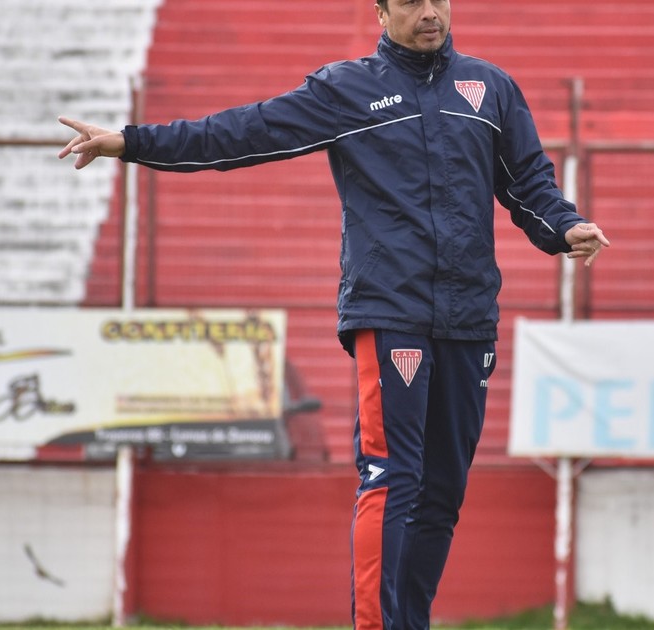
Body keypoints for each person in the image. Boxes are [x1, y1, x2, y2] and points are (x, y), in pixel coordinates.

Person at [57, 1, 610, 628]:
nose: (430, 12)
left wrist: (564, 227)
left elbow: (528, 183)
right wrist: (131, 142)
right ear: (381, 12)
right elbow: (240, 134)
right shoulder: (346, 90)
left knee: (441, 494)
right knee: (391, 477)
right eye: (410, 1)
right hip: (391, 313)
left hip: (470, 317)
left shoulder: (491, 88)